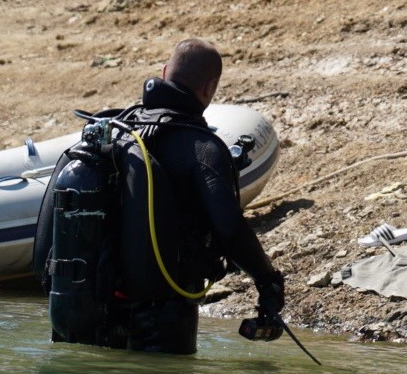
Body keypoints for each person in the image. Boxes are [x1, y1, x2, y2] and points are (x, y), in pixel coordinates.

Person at [34, 38, 285, 354]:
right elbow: (229, 229)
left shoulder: (118, 131)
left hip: (82, 310)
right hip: (161, 319)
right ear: (209, 88)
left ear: (165, 72)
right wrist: (267, 281)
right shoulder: (202, 149)